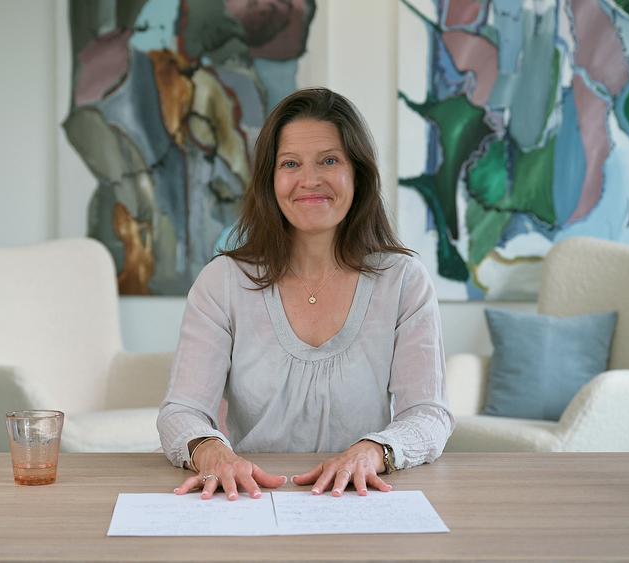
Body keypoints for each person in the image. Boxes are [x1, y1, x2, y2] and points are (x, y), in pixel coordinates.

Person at [157, 87, 454, 501]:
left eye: (329, 161)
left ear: (358, 174)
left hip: (362, 499)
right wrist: (211, 452)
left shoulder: (404, 281)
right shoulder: (222, 281)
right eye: (290, 163)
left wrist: (374, 451)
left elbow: (428, 413)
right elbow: (182, 410)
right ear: (270, 180)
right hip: (249, 499)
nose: (310, 180)